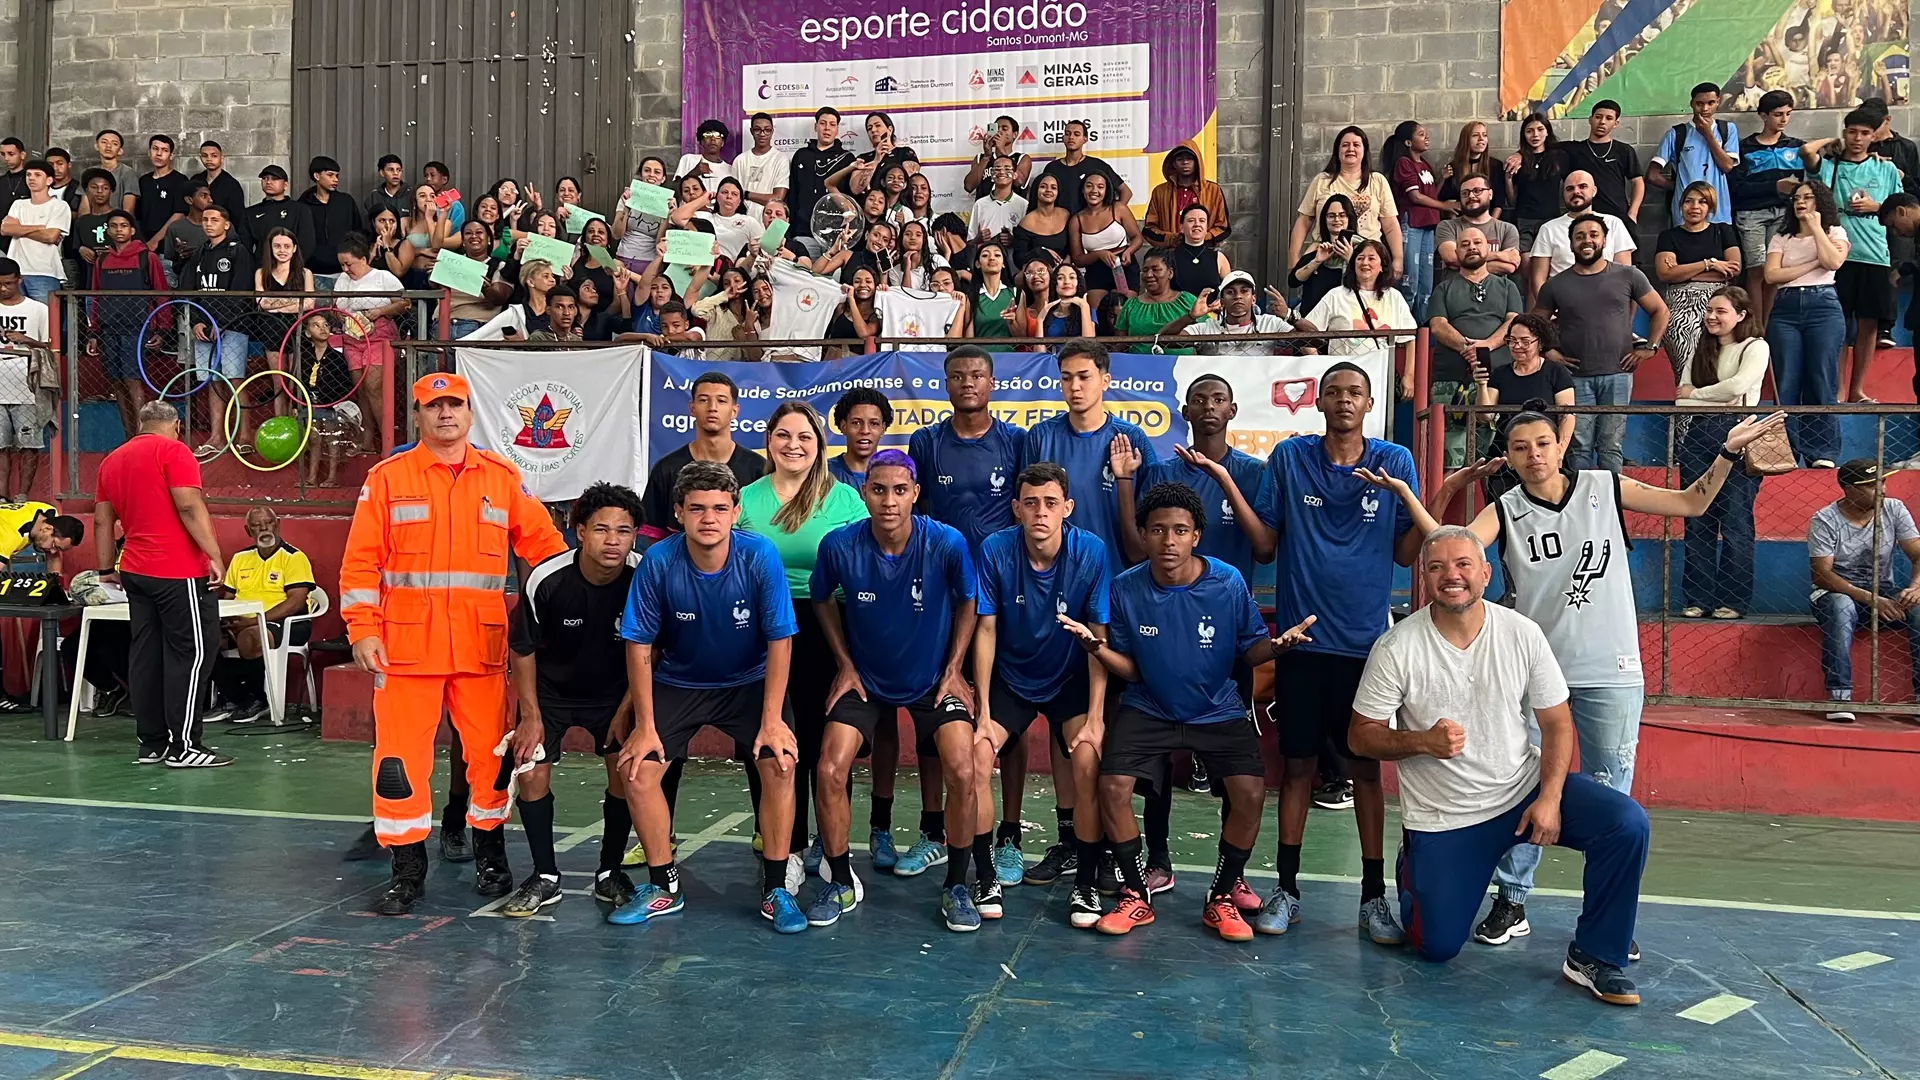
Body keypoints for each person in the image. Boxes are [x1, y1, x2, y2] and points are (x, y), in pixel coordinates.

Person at [1412, 407, 1782, 950]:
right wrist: (1445, 487)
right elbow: (1451, 551)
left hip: (1610, 668)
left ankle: (1607, 920)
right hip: (1537, 674)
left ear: (1561, 446)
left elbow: (1692, 503)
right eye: (1520, 447)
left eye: (1542, 443)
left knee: (1612, 800)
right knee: (1524, 789)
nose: (1534, 454)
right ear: (1509, 458)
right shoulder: (1506, 509)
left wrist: (1726, 452)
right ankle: (1512, 899)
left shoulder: (1603, 486)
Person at [1348, 526, 1649, 1006]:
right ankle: (1415, 867)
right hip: (1447, 818)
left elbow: (1556, 724)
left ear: (1486, 573)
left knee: (1625, 822)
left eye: (1464, 564)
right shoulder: (1397, 647)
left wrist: (1549, 798)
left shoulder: (1521, 633)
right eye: (1437, 566)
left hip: (1522, 791)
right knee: (1437, 948)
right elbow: (1360, 737)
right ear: (1423, 578)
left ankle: (1595, 955)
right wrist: (1421, 741)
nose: (1452, 576)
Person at [340, 372, 567, 915]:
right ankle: (407, 869)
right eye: (433, 406)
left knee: (488, 762)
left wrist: (570, 610)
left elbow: (547, 551)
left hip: (481, 650)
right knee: (398, 764)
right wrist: (362, 629)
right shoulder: (388, 478)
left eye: (455, 405)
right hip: (403, 650)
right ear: (417, 416)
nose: (446, 414)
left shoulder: (502, 478)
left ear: (470, 414)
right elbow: (361, 561)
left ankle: (490, 853)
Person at [1057, 481, 1313, 940]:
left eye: (1180, 530)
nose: (1168, 540)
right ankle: (1136, 895)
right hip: (1149, 705)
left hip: (1216, 708)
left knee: (1251, 793)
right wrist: (1097, 647)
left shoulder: (1228, 581)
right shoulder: (1125, 588)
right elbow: (1132, 671)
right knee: (1113, 786)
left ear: (1197, 535)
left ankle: (1220, 897)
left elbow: (1250, 651)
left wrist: (1277, 647)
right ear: (1143, 534)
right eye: (1157, 530)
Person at [1241, 362, 1418, 939]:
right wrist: (1224, 481)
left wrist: (1434, 495)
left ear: (1370, 403)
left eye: (1355, 393)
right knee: (1296, 770)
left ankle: (1373, 898)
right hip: (1301, 646)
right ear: (1318, 402)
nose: (1344, 400)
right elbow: (1265, 545)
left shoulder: (1393, 462)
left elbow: (1407, 554)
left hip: (1368, 649)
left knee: (1365, 772)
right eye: (1334, 392)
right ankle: (1286, 889)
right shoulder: (1291, 459)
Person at [608, 461, 804, 929]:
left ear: (737, 511)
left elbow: (781, 639)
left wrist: (773, 719)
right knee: (637, 771)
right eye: (697, 508)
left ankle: (777, 888)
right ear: (678, 513)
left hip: (749, 682)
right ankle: (663, 886)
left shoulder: (760, 557)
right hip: (679, 682)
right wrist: (645, 726)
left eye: (720, 508)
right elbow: (639, 646)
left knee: (781, 762)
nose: (709, 518)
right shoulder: (659, 562)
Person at [807, 449, 984, 932]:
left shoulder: (945, 542)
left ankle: (957, 886)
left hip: (932, 682)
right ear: (863, 493)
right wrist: (844, 664)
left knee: (963, 769)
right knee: (828, 768)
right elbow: (820, 599)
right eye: (878, 490)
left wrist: (954, 670)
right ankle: (840, 880)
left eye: (899, 490)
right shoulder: (838, 545)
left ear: (915, 494)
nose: (889, 501)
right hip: (866, 680)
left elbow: (969, 600)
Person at [497, 484, 648, 916]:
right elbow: (522, 648)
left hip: (616, 695)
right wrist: (530, 717)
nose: (613, 540)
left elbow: (652, 650)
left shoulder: (644, 577)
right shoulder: (547, 579)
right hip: (551, 693)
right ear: (579, 531)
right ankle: (545, 876)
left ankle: (610, 873)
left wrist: (627, 710)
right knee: (530, 769)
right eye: (602, 529)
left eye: (624, 530)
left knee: (627, 774)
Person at [908, 346, 1028, 878]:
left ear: (992, 382)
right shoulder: (926, 442)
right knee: (939, 713)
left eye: (977, 375)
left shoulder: (1017, 442)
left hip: (1004, 597)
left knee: (1010, 717)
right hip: (946, 600)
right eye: (957, 376)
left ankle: (1009, 835)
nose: (968, 383)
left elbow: (1027, 515)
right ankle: (933, 828)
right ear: (946, 384)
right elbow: (920, 519)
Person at [972, 462, 1112, 919]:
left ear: (1067, 508)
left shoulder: (1090, 551)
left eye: (1051, 503)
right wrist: (983, 711)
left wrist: (1095, 718)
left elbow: (1097, 639)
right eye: (1030, 503)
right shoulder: (995, 549)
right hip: (1011, 679)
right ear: (1016, 508)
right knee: (977, 755)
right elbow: (986, 630)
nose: (1040, 513)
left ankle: (1086, 882)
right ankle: (987, 880)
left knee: (1088, 759)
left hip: (1069, 677)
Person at [739, 402, 872, 880]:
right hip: (762, 629)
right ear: (769, 441)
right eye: (784, 435)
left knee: (827, 743)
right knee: (773, 740)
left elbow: (863, 567)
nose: (794, 445)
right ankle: (787, 849)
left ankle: (830, 847)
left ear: (820, 446)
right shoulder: (745, 499)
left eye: (805, 437)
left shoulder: (846, 501)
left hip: (828, 627)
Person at [92, 400, 230, 767]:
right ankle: (186, 746)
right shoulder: (175, 452)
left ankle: (151, 743)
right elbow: (189, 506)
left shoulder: (112, 460)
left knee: (146, 655)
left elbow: (103, 522)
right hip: (176, 568)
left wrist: (105, 567)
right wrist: (215, 554)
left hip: (135, 568)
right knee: (194, 652)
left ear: (141, 424)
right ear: (176, 425)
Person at [1532, 215, 1670, 475]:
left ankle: (1610, 508)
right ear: (1571, 243)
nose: (1587, 240)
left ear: (1604, 240)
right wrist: (1548, 351)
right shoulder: (1555, 284)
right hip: (1574, 378)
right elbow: (1535, 322)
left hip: (1618, 375)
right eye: (1580, 236)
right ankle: (1580, 507)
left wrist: (1650, 347)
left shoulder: (1629, 274)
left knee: (1611, 445)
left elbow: (1661, 310)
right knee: (1578, 447)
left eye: (1593, 234)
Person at [1027, 339, 1158, 580]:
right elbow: (1025, 512)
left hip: (1118, 576)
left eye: (1084, 377)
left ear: (1105, 381)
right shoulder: (1041, 436)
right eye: (1066, 378)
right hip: (1055, 579)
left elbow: (1154, 517)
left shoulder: (1131, 438)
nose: (1075, 386)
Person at [1676, 287, 1770, 620]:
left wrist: (1697, 394)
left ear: (1741, 315)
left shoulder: (1755, 346)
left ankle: (1732, 600)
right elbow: (1680, 400)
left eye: (1721, 311)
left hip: (1738, 432)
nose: (1711, 316)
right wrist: (1706, 397)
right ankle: (1698, 598)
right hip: (1699, 435)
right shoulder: (1700, 348)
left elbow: (1738, 387)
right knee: (1696, 518)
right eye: (1709, 310)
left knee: (1735, 521)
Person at [1801, 108, 1902, 403]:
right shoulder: (1831, 165)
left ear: (1875, 136)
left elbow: (1898, 208)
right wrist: (1831, 140)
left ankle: (1857, 389)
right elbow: (1807, 151)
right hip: (1838, 255)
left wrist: (1876, 207)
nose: (1858, 139)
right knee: (1840, 326)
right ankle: (1839, 390)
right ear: (1844, 132)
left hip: (1874, 255)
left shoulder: (1886, 169)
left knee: (1868, 326)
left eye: (1865, 133)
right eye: (1852, 132)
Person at [1809, 459, 1920, 723]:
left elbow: (1918, 554)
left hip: (1883, 591)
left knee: (1919, 608)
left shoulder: (1893, 509)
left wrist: (1916, 587)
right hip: (1836, 593)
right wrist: (1872, 600)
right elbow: (1822, 575)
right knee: (1841, 606)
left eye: (1882, 482)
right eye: (1871, 485)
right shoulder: (1825, 519)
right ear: (1848, 489)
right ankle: (1839, 696)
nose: (1881, 489)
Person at [1770, 181, 1852, 468]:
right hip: (1785, 308)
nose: (1800, 202)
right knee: (1787, 380)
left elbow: (1833, 262)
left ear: (1821, 202)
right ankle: (1788, 451)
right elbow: (1771, 275)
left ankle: (1823, 451)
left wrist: (1817, 229)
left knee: (1821, 376)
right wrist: (1812, 264)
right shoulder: (1782, 237)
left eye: (1807, 197)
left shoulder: (1834, 232)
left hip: (1823, 305)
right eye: (1796, 198)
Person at [1428, 227, 1524, 466]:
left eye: (1477, 242)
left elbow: (1514, 322)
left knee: (1497, 461)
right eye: (1465, 244)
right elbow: (1438, 325)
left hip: (1498, 381)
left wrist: (1485, 346)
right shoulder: (1444, 288)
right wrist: (1467, 348)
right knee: (1446, 460)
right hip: (1450, 379)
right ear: (1457, 252)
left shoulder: (1507, 286)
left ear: (1487, 248)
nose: (1471, 247)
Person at [210, 507, 314, 725]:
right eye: (257, 525)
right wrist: (227, 621)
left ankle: (258, 700)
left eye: (268, 522)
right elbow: (228, 596)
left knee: (252, 637)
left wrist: (256, 620)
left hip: (283, 622)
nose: (264, 528)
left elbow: (295, 601)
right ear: (248, 530)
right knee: (203, 638)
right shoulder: (240, 558)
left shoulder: (294, 557)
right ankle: (232, 699)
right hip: (241, 621)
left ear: (277, 524)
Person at [641, 372, 770, 542]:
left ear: (734, 411)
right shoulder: (666, 468)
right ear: (692, 408)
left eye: (721, 400)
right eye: (703, 400)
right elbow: (653, 538)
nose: (712, 407)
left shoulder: (758, 468)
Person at [84, 210, 168, 439]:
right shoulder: (102, 260)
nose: (119, 229)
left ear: (132, 230)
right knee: (116, 381)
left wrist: (162, 328)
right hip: (109, 328)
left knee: (133, 380)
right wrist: (93, 332)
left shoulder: (146, 257)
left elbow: (160, 293)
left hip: (137, 327)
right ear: (108, 231)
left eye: (123, 225)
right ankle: (129, 435)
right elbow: (95, 295)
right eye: (114, 225)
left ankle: (143, 435)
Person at [1297, 239, 1416, 395]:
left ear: (1382, 266)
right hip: (1342, 380)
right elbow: (1305, 336)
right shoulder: (1336, 295)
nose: (1365, 263)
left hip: (1380, 377)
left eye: (1371, 258)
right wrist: (1321, 366)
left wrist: (1409, 376)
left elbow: (1410, 339)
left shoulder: (1394, 297)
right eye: (1360, 258)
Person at [1289, 126, 1403, 282]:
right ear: (1337, 150)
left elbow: (1390, 225)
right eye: (1345, 145)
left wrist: (1398, 259)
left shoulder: (1377, 181)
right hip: (1325, 258)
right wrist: (1294, 258)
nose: (1350, 149)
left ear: (1364, 151)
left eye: (1356, 145)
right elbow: (1304, 221)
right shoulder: (1322, 181)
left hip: (1366, 260)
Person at [1476, 313, 1574, 492]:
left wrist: (1560, 450)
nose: (1517, 346)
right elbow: (1486, 416)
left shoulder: (1557, 373)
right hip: (1507, 454)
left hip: (1545, 453)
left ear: (1540, 343)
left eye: (1525, 341)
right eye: (1512, 340)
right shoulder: (1500, 374)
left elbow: (1568, 415)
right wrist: (1482, 385)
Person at [1654, 182, 1743, 382]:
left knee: (1719, 362)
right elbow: (1665, 274)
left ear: (1710, 207)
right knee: (1684, 354)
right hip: (1680, 302)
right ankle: (1687, 406)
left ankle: (1718, 410)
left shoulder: (1722, 231)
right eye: (1689, 201)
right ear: (1680, 205)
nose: (1695, 206)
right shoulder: (1669, 236)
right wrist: (1711, 264)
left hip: (1718, 299)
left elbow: (1732, 270)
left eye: (1702, 202)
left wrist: (1683, 271)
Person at [1730, 90, 1805, 323]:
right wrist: (1775, 186)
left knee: (1773, 271)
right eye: (1777, 114)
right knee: (1756, 269)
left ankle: (1769, 324)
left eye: (1788, 114)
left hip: (1784, 213)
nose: (1783, 119)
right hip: (1751, 214)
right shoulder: (1746, 147)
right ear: (1763, 116)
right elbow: (1737, 187)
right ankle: (1755, 325)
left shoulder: (1796, 147)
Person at [188, 205, 256, 450]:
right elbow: (190, 291)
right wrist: (196, 320)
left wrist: (224, 323)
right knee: (212, 381)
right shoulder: (200, 253)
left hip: (233, 327)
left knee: (235, 380)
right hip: (204, 327)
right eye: (205, 219)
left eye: (214, 219)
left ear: (226, 224)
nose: (208, 224)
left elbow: (240, 292)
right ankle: (217, 437)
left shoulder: (238, 251)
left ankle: (244, 436)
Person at [331, 233, 407, 451]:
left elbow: (404, 302)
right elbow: (336, 307)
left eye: (349, 264)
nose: (345, 269)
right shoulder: (342, 280)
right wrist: (342, 316)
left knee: (374, 386)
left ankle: (387, 439)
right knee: (361, 388)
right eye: (342, 264)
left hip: (379, 336)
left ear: (363, 259)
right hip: (352, 337)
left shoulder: (383, 277)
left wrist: (380, 311)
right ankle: (367, 437)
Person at [1526, 172, 1637, 300]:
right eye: (1570, 188)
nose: (1576, 192)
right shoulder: (1548, 229)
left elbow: (1625, 276)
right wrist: (1549, 312)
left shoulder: (1614, 223)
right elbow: (1538, 279)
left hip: (1606, 304)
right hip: (1561, 308)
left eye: (1582, 186)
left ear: (1594, 191)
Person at [1384, 121, 1451, 323]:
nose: (1426, 137)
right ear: (1407, 141)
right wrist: (1445, 206)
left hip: (1428, 226)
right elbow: (1415, 197)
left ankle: (1421, 329)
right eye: (1421, 134)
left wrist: (1441, 180)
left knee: (1426, 284)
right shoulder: (1404, 163)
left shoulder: (1426, 165)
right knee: (1409, 281)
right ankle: (1403, 329)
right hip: (1411, 224)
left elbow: (1428, 195)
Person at [1649, 83, 1740, 227]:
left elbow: (1727, 166)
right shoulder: (1677, 133)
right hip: (1685, 213)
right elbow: (1652, 175)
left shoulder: (1727, 129)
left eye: (1710, 103)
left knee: (1718, 247)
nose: (1705, 109)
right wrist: (1680, 188)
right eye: (1699, 104)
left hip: (1718, 210)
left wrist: (1708, 134)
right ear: (1691, 104)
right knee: (1686, 247)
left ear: (1718, 102)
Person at [0, 259, 52, 497]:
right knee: (1, 447)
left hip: (27, 387)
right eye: (0, 284)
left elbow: (52, 347)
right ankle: (2, 496)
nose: (3, 289)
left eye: (9, 283)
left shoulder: (38, 310)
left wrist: (27, 340)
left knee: (29, 445)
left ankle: (22, 495)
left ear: (19, 280)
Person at [1557, 100, 1643, 226]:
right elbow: (1539, 147)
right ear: (1590, 119)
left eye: (1609, 118)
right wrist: (1520, 155)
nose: (1602, 122)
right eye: (1598, 117)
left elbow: (1638, 182)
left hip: (1618, 218)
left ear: (1615, 123)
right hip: (1582, 218)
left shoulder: (1624, 150)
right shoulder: (1573, 149)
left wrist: (1633, 213)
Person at [1069, 171, 1142, 308]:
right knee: (1097, 316)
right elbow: (1078, 259)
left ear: (1107, 190)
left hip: (1123, 264)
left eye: (1100, 187)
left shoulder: (1118, 208)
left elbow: (1137, 238)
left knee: (1124, 312)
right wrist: (1099, 254)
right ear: (1082, 191)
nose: (1094, 191)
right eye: (1089, 186)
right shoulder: (1076, 220)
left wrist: (1129, 251)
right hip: (1096, 269)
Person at [3, 160, 71, 304]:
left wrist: (19, 229)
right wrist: (39, 227)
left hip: (45, 271)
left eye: (37, 175)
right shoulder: (18, 204)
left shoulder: (59, 205)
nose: (31, 178)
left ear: (49, 180)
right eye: (28, 175)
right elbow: (5, 229)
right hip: (17, 272)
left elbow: (51, 236)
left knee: (47, 321)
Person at [1179, 270, 1295, 354]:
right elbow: (1165, 340)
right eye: (1230, 292)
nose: (1238, 296)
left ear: (1253, 299)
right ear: (1222, 301)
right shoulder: (1208, 327)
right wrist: (1190, 316)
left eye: (1244, 291)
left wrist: (1290, 315)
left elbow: (1311, 340)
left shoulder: (1270, 323)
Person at [787, 108, 857, 244]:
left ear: (837, 129)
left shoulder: (847, 159)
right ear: (816, 126)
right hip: (803, 232)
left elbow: (851, 197)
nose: (827, 129)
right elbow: (793, 195)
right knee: (803, 266)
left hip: (836, 234)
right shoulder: (801, 155)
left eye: (832, 124)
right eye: (823, 123)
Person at [1028, 120, 1128, 216]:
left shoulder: (1098, 165)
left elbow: (1126, 192)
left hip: (1088, 226)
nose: (1071, 137)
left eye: (1076, 134)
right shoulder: (1052, 167)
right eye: (1067, 134)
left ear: (1085, 139)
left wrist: (1113, 215)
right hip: (1060, 226)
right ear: (1063, 138)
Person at [1505, 113, 1568, 256]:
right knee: (1525, 260)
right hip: (1523, 220)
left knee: (1547, 260)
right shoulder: (1517, 160)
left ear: (1547, 132)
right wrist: (1508, 178)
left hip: (1551, 219)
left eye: (1540, 129)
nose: (1535, 135)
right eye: (1529, 131)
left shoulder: (1559, 156)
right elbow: (1512, 200)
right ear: (1524, 135)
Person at [1143, 143, 1228, 248]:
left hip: (1203, 252)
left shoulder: (1213, 190)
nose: (1185, 162)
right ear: (1173, 163)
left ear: (1197, 162)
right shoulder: (1160, 192)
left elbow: (1223, 227)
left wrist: (1201, 238)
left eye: (1190, 159)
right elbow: (1149, 229)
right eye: (1180, 159)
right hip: (1171, 254)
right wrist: (1172, 238)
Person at [1436, 175, 1522, 277]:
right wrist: (1500, 255)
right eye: (1465, 193)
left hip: (1494, 291)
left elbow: (1509, 266)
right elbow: (1451, 257)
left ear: (1490, 194)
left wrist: (1464, 263)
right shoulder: (1447, 226)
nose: (1471, 196)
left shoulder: (1507, 229)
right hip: (1456, 290)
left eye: (1477, 191)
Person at [299, 156, 366, 286]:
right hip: (312, 272)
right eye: (330, 175)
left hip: (345, 271)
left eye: (337, 176)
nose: (335, 180)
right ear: (317, 176)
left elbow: (358, 232)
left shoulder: (346, 202)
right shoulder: (302, 206)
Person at [1114, 250, 1198, 352]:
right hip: (1140, 365)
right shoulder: (1131, 305)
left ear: (1170, 273)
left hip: (1182, 366)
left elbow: (1206, 333)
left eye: (1156, 270)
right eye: (1145, 270)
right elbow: (1120, 344)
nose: (1149, 274)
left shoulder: (1187, 300)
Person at [1292, 194, 1358, 314]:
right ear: (1325, 219)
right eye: (1331, 216)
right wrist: (1316, 262)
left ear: (1349, 218)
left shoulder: (1361, 249)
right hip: (1313, 318)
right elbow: (1293, 281)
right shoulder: (1316, 247)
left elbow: (1373, 283)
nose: (1336, 220)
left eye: (1342, 215)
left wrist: (1351, 259)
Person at [244, 165, 316, 267]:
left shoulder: (300, 210)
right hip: (262, 270)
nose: (268, 182)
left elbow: (307, 243)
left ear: (285, 185)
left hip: (292, 271)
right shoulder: (251, 213)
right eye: (265, 178)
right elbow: (245, 246)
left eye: (275, 179)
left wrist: (292, 267)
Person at [0, 499, 82, 573]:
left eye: (58, 548)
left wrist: (56, 585)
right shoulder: (11, 535)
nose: (53, 552)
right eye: (54, 546)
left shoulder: (49, 511)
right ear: (47, 528)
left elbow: (53, 560)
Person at [134, 135, 186, 250]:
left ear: (171, 155)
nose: (159, 153)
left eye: (165, 150)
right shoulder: (144, 181)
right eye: (155, 148)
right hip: (143, 245)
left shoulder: (180, 180)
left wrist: (155, 241)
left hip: (167, 247)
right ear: (149, 152)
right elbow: (138, 215)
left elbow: (179, 214)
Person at [1168, 206, 1230, 297]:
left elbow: (1229, 290)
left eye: (1202, 220)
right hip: (1178, 310)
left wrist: (1219, 303)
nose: (1197, 224)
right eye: (1191, 220)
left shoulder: (1219, 258)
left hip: (1211, 310)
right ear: (1181, 227)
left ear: (1207, 227)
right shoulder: (1168, 258)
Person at [734, 113, 791, 207]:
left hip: (770, 218)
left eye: (767, 130)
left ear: (772, 132)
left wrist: (747, 194)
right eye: (757, 130)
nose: (762, 134)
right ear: (751, 131)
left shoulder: (781, 159)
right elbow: (734, 195)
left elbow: (777, 198)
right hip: (743, 218)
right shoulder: (740, 160)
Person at [187, 141, 248, 227]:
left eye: (214, 156)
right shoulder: (196, 180)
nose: (209, 159)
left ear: (222, 158)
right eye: (205, 155)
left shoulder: (231, 184)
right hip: (196, 229)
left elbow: (238, 216)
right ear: (200, 158)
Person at [675, 119, 735, 193]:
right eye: (707, 135)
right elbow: (674, 191)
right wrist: (693, 173)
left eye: (717, 136)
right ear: (702, 141)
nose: (713, 139)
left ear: (722, 142)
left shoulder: (730, 170)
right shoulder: (688, 159)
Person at [94, 129, 139, 215]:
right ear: (96, 146)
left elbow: (128, 210)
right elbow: (84, 207)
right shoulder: (90, 173)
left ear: (120, 151)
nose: (108, 146)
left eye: (114, 144)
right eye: (104, 142)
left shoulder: (127, 173)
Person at [364, 154, 409, 229]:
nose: (396, 173)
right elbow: (367, 225)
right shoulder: (374, 197)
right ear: (382, 173)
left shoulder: (411, 194)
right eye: (391, 169)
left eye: (399, 170)